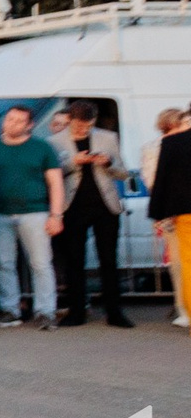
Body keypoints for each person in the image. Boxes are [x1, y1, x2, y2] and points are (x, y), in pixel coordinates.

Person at [0, 105, 65, 327]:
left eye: (18, 121)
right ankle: (10, 309)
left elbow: (55, 183)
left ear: (29, 125)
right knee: (4, 263)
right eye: (9, 119)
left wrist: (56, 215)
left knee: (41, 263)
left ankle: (45, 311)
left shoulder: (42, 148)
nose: (12, 124)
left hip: (35, 212)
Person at [50, 99, 135, 328]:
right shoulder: (54, 142)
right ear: (70, 120)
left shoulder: (108, 138)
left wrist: (108, 162)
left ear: (94, 120)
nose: (82, 130)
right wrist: (74, 163)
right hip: (72, 207)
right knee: (74, 261)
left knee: (109, 260)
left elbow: (123, 172)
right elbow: (52, 175)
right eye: (78, 126)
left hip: (105, 206)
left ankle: (114, 312)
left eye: (87, 126)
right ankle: (77, 312)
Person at [150, 112, 191, 332]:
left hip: (186, 213)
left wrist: (157, 211)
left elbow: (162, 179)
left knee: (188, 263)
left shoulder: (172, 142)